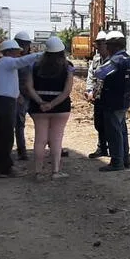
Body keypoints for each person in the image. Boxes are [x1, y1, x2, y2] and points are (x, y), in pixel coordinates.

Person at [0, 39, 43, 178]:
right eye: (15, 51)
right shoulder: (7, 62)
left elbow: (7, 82)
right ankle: (5, 168)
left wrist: (17, 95)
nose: (18, 54)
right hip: (5, 103)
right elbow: (21, 62)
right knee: (6, 136)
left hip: (0, 100)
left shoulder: (0, 65)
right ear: (8, 52)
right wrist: (41, 54)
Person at [25, 36, 74, 180]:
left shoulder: (34, 65)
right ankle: (55, 171)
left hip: (38, 107)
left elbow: (29, 87)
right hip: (61, 107)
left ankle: (38, 172)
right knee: (56, 139)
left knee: (40, 139)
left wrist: (41, 102)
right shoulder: (68, 66)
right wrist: (52, 104)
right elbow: (67, 90)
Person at [94, 31, 130, 172]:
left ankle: (117, 161)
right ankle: (125, 159)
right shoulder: (128, 59)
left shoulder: (116, 60)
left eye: (108, 45)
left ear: (113, 46)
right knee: (122, 130)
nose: (107, 48)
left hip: (113, 101)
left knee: (114, 132)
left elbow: (99, 72)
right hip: (123, 100)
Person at [86, 31, 109, 159]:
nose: (98, 47)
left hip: (110, 97)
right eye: (98, 44)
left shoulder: (113, 59)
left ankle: (114, 148)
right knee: (99, 123)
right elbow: (91, 76)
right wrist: (89, 91)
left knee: (111, 123)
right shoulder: (96, 60)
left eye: (101, 44)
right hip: (98, 97)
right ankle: (102, 148)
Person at [13, 31, 33, 161]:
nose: (23, 47)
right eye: (21, 44)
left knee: (43, 122)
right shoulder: (13, 61)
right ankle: (22, 151)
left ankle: (52, 146)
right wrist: (17, 94)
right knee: (19, 124)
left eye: (25, 45)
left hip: (33, 95)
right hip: (20, 96)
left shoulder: (32, 60)